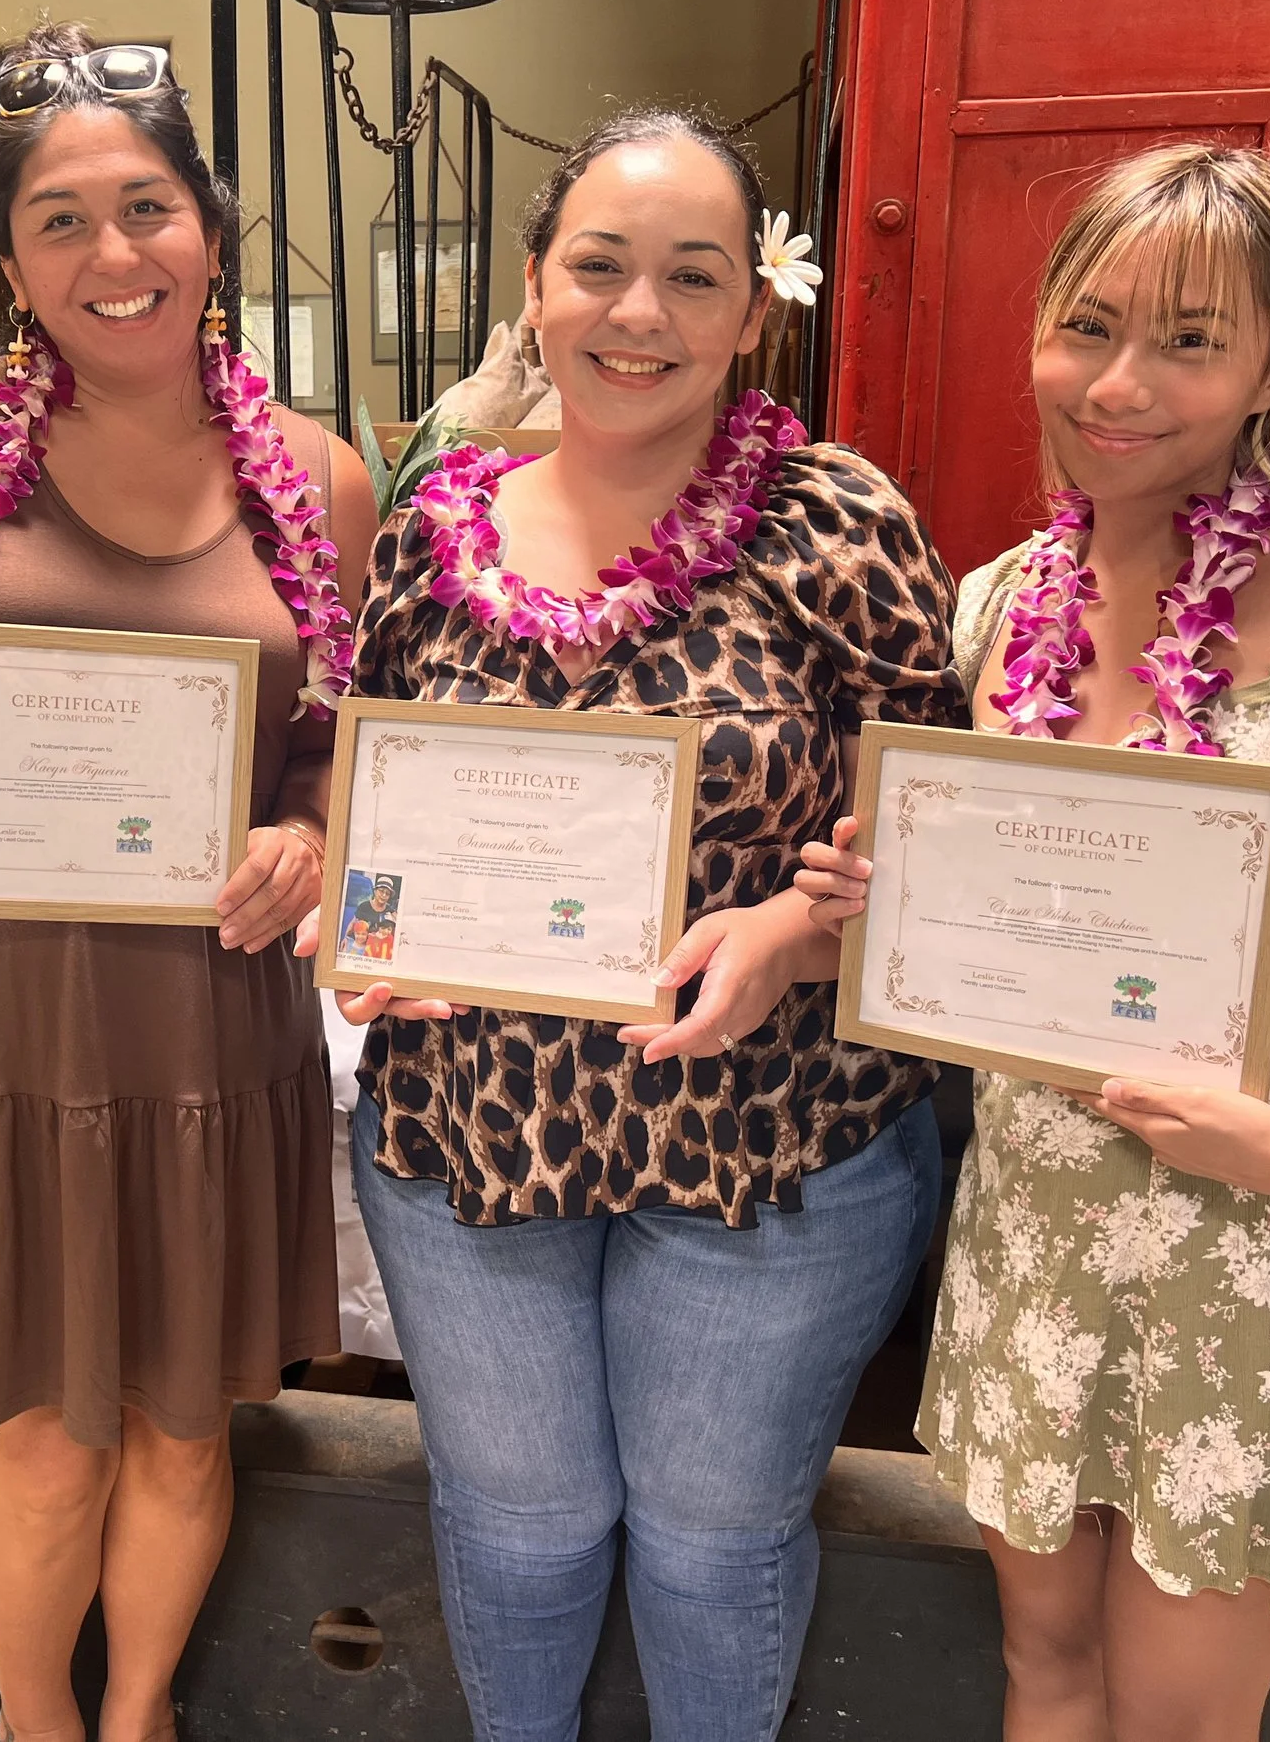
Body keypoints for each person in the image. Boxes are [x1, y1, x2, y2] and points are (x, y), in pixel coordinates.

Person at [797, 143, 1270, 1740]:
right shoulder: (995, 605)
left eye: (1191, 340)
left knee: (1179, 1720)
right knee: (1045, 1675)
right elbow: (949, 908)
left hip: (1250, 1238)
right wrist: (866, 897)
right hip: (1033, 1235)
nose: (1119, 383)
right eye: (1088, 326)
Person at [0, 24, 376, 1742]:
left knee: (181, 1430)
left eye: (148, 205)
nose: (115, 252)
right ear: (13, 260)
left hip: (198, 1031)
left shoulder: (320, 475)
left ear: (211, 228)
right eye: (61, 220)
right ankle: (38, 1720)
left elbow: (340, 742)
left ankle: (141, 1712)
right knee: (34, 1450)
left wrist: (308, 832)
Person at [334, 108, 962, 1740]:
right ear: (534, 288)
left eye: (694, 276)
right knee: (522, 1529)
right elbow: (372, 789)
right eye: (599, 266)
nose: (639, 313)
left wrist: (792, 936)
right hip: (473, 1132)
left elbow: (937, 834)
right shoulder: (431, 521)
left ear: (753, 310)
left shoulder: (839, 521)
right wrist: (367, 932)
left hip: (771, 1144)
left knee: (706, 1546)